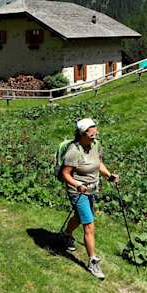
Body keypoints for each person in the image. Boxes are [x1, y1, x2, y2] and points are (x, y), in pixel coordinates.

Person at [60, 117, 118, 279]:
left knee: (80, 217)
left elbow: (98, 163)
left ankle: (66, 235)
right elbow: (65, 174)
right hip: (77, 191)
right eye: (91, 135)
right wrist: (78, 184)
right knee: (89, 224)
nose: (94, 138)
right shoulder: (73, 152)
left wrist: (108, 175)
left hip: (92, 189)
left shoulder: (95, 145)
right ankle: (93, 261)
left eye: (95, 135)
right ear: (82, 134)